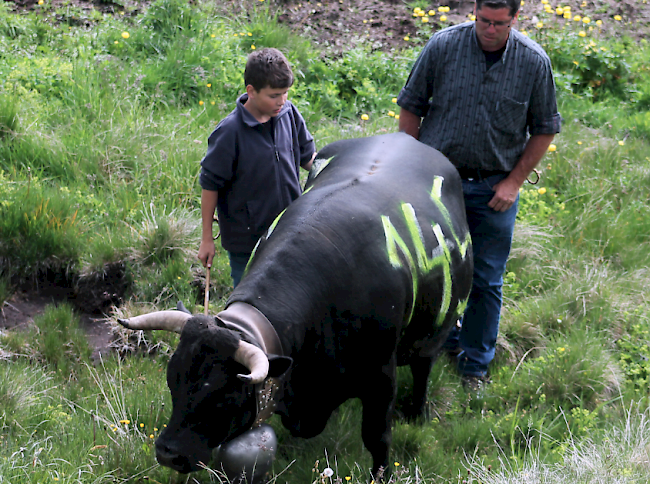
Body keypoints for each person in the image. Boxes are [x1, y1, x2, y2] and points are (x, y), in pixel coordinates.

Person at [397, 0, 562, 388]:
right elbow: (411, 108)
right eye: (483, 20)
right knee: (432, 272)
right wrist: (411, 168)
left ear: (514, 19)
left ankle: (475, 365)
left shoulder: (533, 62)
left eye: (499, 23)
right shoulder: (442, 47)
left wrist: (514, 182)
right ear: (474, 12)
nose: (489, 29)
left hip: (494, 188)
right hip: (437, 184)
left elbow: (545, 128)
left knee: (486, 280)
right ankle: (437, 342)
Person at [197, 47, 316, 288]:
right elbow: (210, 186)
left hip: (290, 230)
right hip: (247, 242)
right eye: (274, 95)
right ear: (251, 91)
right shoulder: (229, 133)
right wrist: (206, 238)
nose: (281, 101)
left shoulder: (289, 114)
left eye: (285, 93)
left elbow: (308, 158)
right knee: (250, 300)